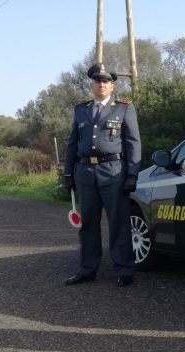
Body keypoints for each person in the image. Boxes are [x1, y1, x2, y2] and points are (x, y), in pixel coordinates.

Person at [63, 63, 142, 287]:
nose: (101, 84)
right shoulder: (81, 109)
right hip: (86, 172)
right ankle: (87, 268)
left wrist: (132, 175)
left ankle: (124, 269)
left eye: (106, 81)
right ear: (91, 84)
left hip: (114, 172)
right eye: (98, 80)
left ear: (112, 85)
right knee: (88, 224)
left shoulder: (124, 108)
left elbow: (133, 144)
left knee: (118, 223)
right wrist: (68, 172)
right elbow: (72, 144)